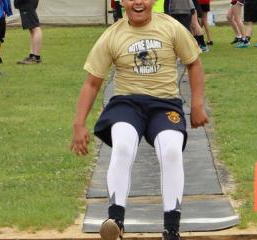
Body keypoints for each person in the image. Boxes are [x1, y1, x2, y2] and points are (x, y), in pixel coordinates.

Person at [70, 0, 208, 239]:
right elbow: (92, 82)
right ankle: (115, 221)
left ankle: (171, 229)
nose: (138, 2)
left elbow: (194, 64)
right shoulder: (112, 36)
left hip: (164, 103)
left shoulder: (171, 27)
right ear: (121, 1)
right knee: (123, 145)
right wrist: (78, 124)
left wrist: (196, 104)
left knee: (172, 150)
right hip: (127, 103)